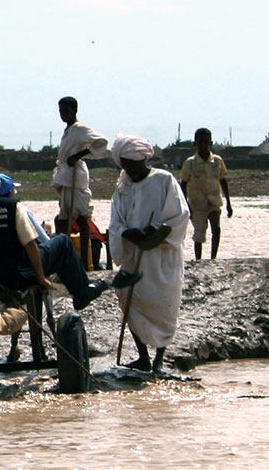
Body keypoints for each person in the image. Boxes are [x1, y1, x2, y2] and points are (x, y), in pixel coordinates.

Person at [0, 166, 139, 310]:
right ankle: (82, 292)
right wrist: (41, 278)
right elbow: (30, 244)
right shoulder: (12, 207)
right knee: (62, 242)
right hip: (13, 279)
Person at [108, 134, 190, 373]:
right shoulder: (122, 189)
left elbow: (180, 215)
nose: (130, 170)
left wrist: (155, 231)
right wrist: (127, 233)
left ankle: (159, 360)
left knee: (164, 306)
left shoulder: (164, 180)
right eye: (125, 166)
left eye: (133, 165)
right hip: (135, 256)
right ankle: (143, 357)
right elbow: (115, 223)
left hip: (162, 256)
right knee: (130, 300)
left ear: (143, 160)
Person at [52, 97, 109, 270]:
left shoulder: (79, 129)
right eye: (61, 111)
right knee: (64, 218)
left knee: (81, 217)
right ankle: (67, 259)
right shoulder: (68, 131)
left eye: (66, 111)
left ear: (75, 110)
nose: (63, 114)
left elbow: (101, 142)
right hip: (66, 175)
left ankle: (84, 261)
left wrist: (79, 155)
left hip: (75, 174)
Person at [180, 127, 233, 259]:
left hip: (214, 200)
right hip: (197, 204)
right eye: (200, 142)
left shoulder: (217, 161)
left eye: (206, 142)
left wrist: (228, 204)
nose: (203, 145)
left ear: (211, 143)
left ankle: (213, 258)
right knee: (199, 234)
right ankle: (198, 260)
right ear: (195, 144)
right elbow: (183, 183)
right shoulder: (190, 163)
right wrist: (185, 205)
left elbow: (222, 180)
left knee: (216, 229)